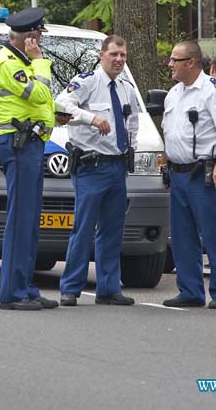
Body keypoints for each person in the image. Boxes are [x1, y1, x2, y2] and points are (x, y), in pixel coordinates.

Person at [54, 35, 137, 307]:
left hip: (116, 165)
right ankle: (70, 287)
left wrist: (131, 149)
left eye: (123, 55)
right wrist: (91, 118)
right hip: (91, 165)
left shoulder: (126, 87)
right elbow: (60, 104)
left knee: (113, 229)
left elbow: (131, 120)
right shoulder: (87, 81)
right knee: (84, 227)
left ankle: (109, 288)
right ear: (102, 56)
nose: (119, 60)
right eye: (114, 54)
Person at [0, 7, 59, 311]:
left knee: (30, 221)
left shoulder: (19, 62)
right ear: (30, 37)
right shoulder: (7, 64)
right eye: (39, 34)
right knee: (20, 220)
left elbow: (37, 101)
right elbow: (40, 94)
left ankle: (26, 286)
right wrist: (41, 62)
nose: (41, 38)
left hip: (31, 143)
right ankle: (13, 293)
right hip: (19, 145)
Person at [161, 41, 216, 309]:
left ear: (191, 63)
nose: (170, 64)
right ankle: (190, 290)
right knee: (182, 236)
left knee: (214, 232)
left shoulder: (214, 90)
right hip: (179, 173)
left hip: (204, 172)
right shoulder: (174, 94)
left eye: (175, 59)